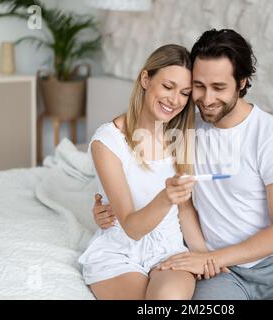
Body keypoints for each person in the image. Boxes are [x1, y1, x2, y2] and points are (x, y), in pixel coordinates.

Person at [93, 29, 273, 300]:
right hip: (217, 271)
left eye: (219, 88)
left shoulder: (272, 138)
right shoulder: (185, 123)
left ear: (242, 82)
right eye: (199, 87)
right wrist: (103, 207)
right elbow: (137, 162)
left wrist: (209, 258)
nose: (206, 99)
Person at [78, 44, 222, 300]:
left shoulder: (181, 138)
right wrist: (166, 197)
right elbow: (132, 228)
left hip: (167, 251)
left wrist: (203, 255)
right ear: (146, 79)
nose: (175, 100)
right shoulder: (108, 142)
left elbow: (185, 210)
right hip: (118, 251)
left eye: (185, 93)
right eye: (168, 87)